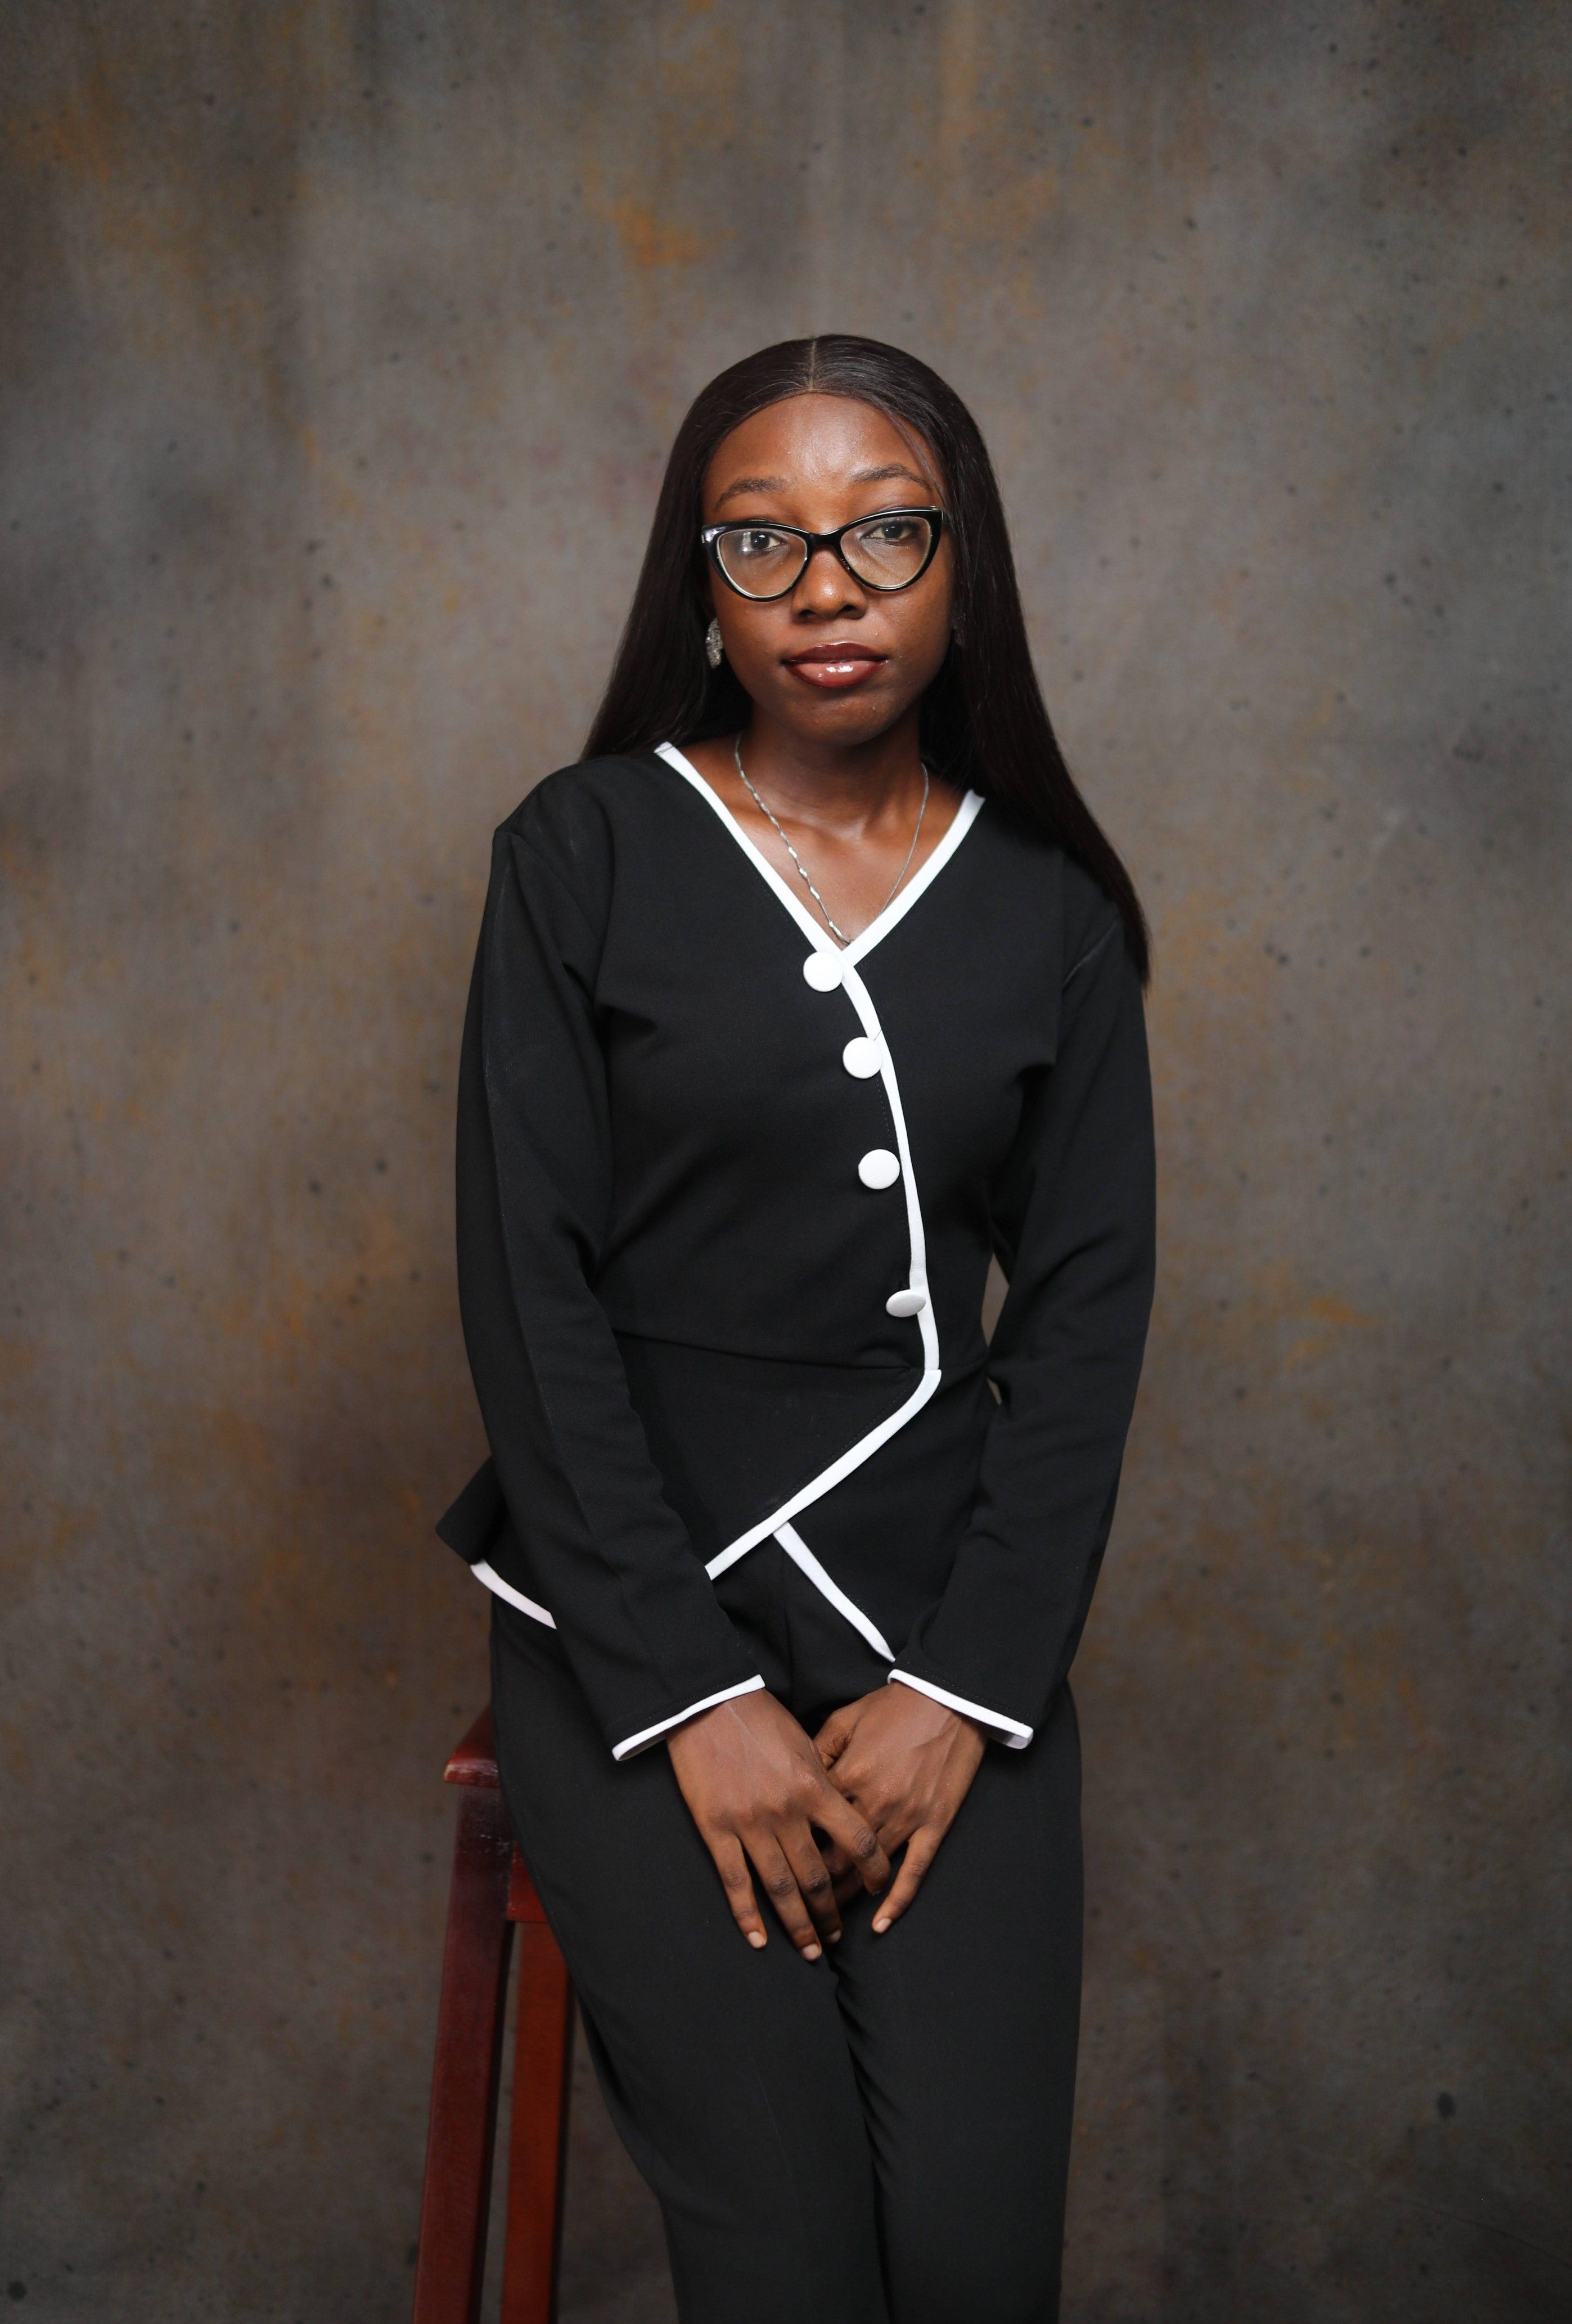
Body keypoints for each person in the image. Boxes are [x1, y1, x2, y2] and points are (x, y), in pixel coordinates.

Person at [436, 333, 1155, 2324]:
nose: (825, 588)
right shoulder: (581, 850)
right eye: (762, 541)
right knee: (790, 2260)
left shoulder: (1052, 908)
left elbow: (1086, 1316)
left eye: (883, 533)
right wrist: (684, 1692)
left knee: (973, 2263)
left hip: (947, 1624)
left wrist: (969, 1688)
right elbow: (526, 1288)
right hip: (629, 1619)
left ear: (961, 565)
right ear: (700, 584)